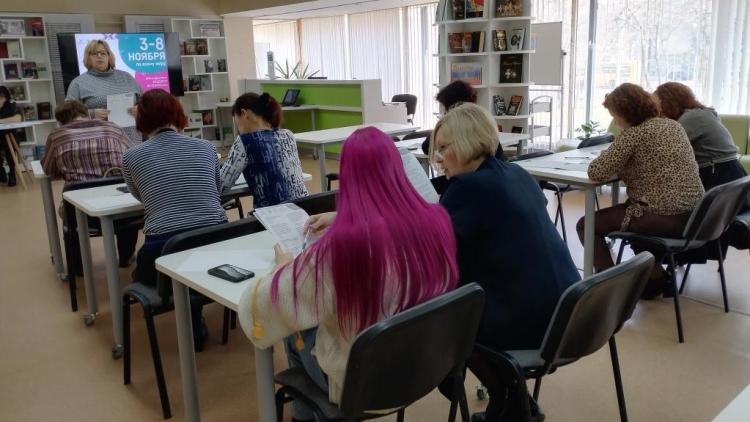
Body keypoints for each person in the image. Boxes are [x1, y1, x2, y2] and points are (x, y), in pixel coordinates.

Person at [238, 127, 458, 422]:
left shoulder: (339, 249)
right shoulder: (437, 221)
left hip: (362, 383)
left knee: (294, 328)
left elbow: (262, 309)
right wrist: (343, 219)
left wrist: (282, 268)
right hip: (421, 364)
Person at [431, 103, 579, 422]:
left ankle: (509, 404)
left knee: (451, 315)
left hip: (533, 321)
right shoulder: (516, 173)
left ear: (468, 142)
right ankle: (515, 401)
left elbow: (433, 245)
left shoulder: (468, 188)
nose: (439, 158)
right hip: (569, 308)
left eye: (444, 148)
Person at [577, 83, 705, 299]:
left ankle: (610, 287)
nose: (615, 121)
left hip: (665, 217)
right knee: (631, 212)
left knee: (587, 224)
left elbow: (596, 171)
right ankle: (657, 279)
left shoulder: (633, 135)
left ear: (625, 113)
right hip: (695, 214)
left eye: (615, 115)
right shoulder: (672, 125)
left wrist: (610, 154)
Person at [122, 89, 227, 351]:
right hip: (218, 245)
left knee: (142, 271)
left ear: (141, 120)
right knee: (192, 254)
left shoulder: (131, 157)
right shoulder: (206, 148)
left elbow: (140, 196)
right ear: (178, 114)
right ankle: (196, 311)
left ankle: (190, 315)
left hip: (165, 250)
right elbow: (217, 189)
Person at [43, 100, 139, 268]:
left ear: (61, 121)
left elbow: (48, 170)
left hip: (81, 213)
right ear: (86, 113)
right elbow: (133, 156)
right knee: (124, 203)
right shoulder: (112, 128)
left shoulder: (57, 136)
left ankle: (78, 266)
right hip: (122, 208)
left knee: (67, 212)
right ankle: (126, 256)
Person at [654, 81, 749, 211]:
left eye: (658, 104)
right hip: (730, 173)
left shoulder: (692, 117)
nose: (657, 109)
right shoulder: (701, 113)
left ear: (669, 102)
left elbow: (663, 146)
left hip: (718, 175)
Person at [219, 92, 308, 207]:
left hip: (273, 215)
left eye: (236, 120)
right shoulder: (288, 135)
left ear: (244, 114)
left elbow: (221, 186)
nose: (238, 127)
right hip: (304, 210)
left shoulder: (245, 141)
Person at [66, 39, 142, 142]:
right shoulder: (78, 83)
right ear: (88, 58)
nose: (99, 56)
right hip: (99, 143)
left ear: (109, 56)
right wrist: (91, 114)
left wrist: (140, 109)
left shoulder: (126, 77)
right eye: (94, 53)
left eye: (103, 53)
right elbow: (67, 114)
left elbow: (145, 102)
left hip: (132, 140)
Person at [421, 80, 481, 156]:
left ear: (452, 106)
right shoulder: (480, 120)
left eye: (445, 107)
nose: (444, 111)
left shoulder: (456, 125)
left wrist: (444, 122)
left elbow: (426, 147)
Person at [0, 85, 22, 186]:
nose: (1, 99)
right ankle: (1, 170)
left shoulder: (11, 105)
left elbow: (18, 119)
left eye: (2, 97)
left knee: (10, 149)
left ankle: (12, 172)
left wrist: (1, 121)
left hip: (10, 135)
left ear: (6, 97)